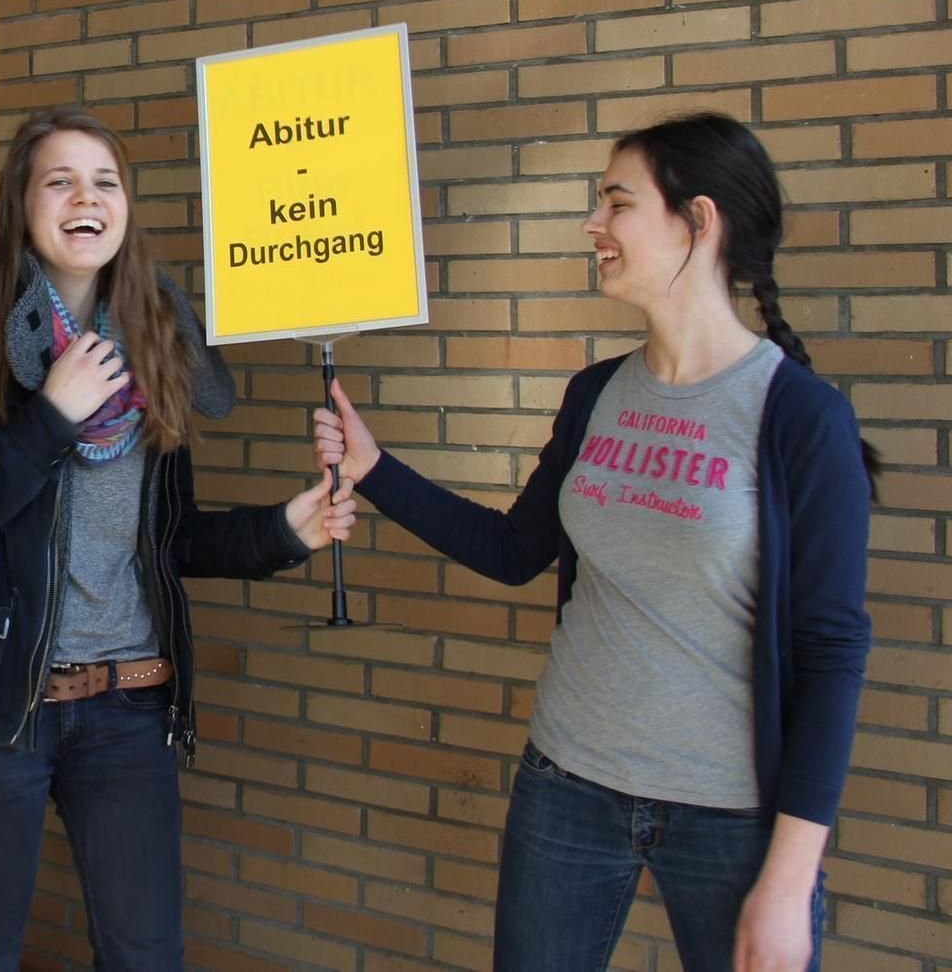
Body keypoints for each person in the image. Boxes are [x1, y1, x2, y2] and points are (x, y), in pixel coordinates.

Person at [313, 112, 875, 972]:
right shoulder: (595, 394)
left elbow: (832, 653)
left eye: (616, 202)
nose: (594, 225)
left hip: (731, 819)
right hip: (565, 789)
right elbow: (512, 551)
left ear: (699, 221)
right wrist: (373, 468)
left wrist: (791, 878)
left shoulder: (799, 416)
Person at [0, 106, 358, 970]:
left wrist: (287, 532)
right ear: (20, 204)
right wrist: (50, 415)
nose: (85, 198)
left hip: (129, 708)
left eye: (105, 181)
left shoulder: (155, 349)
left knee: (146, 957)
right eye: (59, 180)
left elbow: (167, 547)